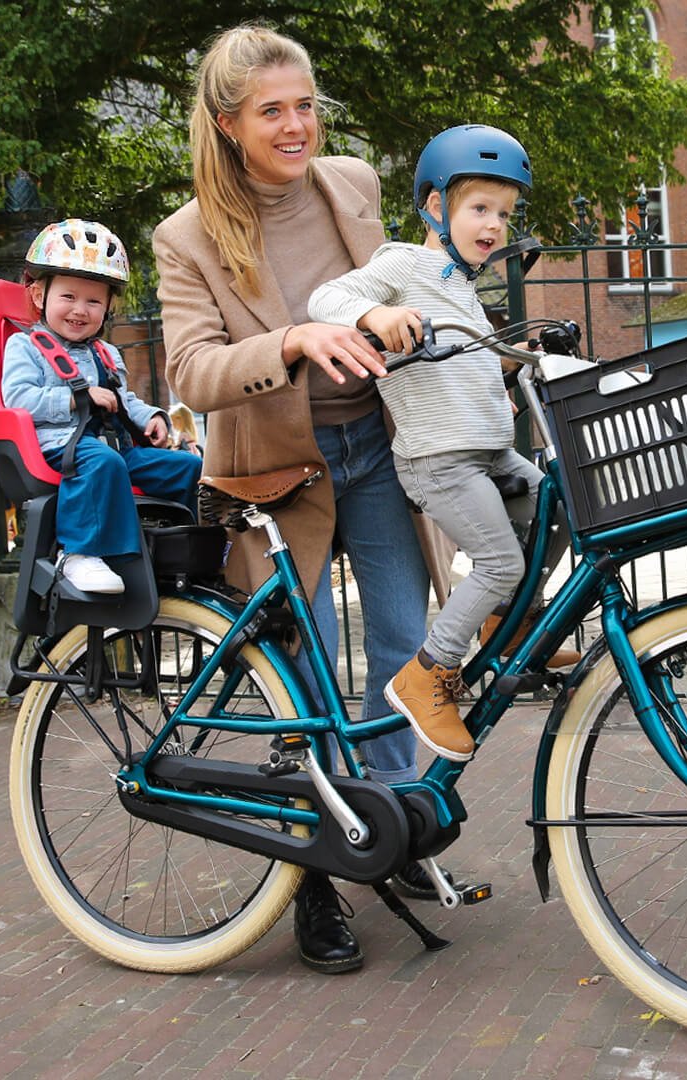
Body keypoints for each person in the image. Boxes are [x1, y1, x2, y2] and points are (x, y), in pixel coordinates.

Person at [153, 25, 453, 974]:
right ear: (230, 123)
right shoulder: (188, 235)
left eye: (306, 105)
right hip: (278, 476)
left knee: (409, 648)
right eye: (272, 111)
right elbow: (192, 369)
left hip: (377, 446)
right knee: (306, 680)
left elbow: (411, 276)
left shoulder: (353, 183)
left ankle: (390, 822)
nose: (296, 126)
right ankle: (311, 879)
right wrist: (288, 343)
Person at [307, 124, 577, 763]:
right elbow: (327, 298)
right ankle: (427, 673)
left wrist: (514, 363)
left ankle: (507, 625)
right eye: (479, 208)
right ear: (435, 207)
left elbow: (468, 357)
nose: (494, 225)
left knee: (559, 505)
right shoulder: (402, 263)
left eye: (505, 214)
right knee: (499, 560)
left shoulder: (462, 289)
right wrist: (374, 317)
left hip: (488, 451)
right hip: (438, 459)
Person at [0, 218, 202, 595]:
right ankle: (79, 554)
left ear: (108, 306)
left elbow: (122, 400)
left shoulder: (106, 353)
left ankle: (184, 550)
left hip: (113, 447)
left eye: (93, 301)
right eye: (68, 297)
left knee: (188, 467)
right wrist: (78, 398)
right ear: (40, 296)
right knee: (101, 461)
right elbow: (19, 399)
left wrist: (151, 417)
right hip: (60, 445)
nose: (80, 309)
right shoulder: (26, 347)